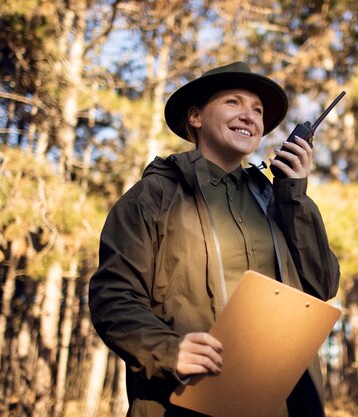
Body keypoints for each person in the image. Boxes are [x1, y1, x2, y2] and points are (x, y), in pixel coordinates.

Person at [88, 61, 340, 417]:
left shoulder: (278, 199)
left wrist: (294, 195)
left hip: (280, 405)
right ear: (195, 117)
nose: (250, 116)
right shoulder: (151, 197)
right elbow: (113, 297)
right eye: (233, 103)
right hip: (184, 402)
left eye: (258, 110)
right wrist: (168, 349)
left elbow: (322, 285)